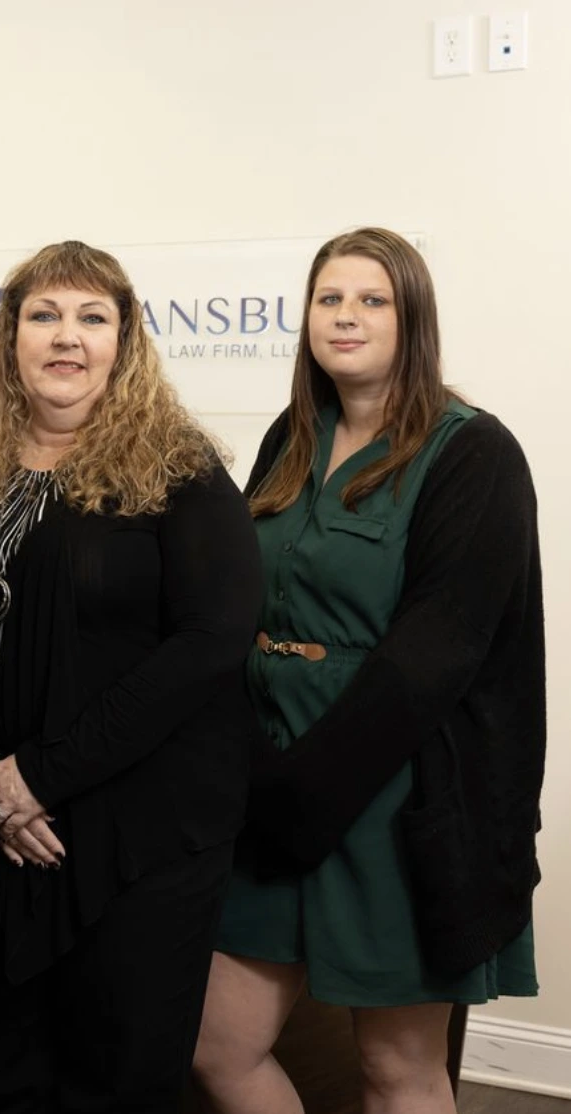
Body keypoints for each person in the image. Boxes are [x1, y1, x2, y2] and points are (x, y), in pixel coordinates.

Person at [192, 228, 544, 1114]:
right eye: (329, 299)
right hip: (267, 785)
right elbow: (239, 600)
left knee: (398, 1072)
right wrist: (254, 773)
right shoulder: (291, 437)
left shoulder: (474, 454)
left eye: (371, 300)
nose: (345, 316)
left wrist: (301, 796)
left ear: (412, 319)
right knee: (214, 1048)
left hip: (393, 797)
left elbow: (436, 656)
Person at [0, 240, 262, 1112]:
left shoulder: (180, 468)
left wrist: (42, 777)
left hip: (138, 837)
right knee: (9, 1074)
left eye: (93, 318)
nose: (66, 337)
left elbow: (211, 640)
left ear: (125, 341)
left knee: (119, 1082)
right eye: (43, 316)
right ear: (7, 336)